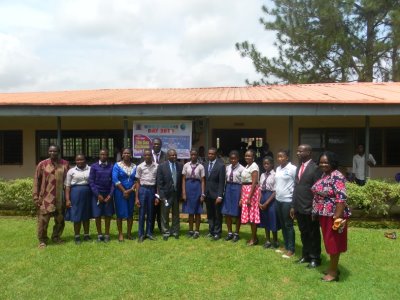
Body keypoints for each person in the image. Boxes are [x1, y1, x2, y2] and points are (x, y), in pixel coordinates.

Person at [311, 151, 350, 282]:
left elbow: (341, 198)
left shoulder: (337, 176)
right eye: (321, 162)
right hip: (324, 214)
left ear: (332, 163)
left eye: (326, 162)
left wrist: (337, 217)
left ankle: (333, 273)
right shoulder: (325, 174)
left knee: (334, 243)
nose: (323, 164)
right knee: (329, 242)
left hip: (334, 215)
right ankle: (332, 267)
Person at [290, 144, 322, 267]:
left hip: (310, 207)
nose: (298, 153)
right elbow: (296, 187)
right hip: (299, 206)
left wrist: (315, 209)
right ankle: (306, 255)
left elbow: (317, 190)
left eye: (300, 151)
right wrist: (293, 205)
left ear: (308, 152)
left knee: (313, 233)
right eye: (297, 151)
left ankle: (315, 258)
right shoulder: (299, 167)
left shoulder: (315, 168)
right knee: (303, 232)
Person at [33, 145, 69, 248]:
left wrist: (67, 198)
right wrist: (35, 197)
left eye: (55, 151)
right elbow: (36, 181)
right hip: (46, 198)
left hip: (60, 198)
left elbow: (68, 182)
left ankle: (56, 237)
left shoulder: (65, 164)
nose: (53, 153)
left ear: (59, 152)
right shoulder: (42, 164)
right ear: (48, 152)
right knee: (43, 221)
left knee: (60, 220)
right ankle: (42, 240)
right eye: (50, 151)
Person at [65, 154, 92, 244]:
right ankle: (77, 236)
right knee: (77, 215)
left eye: (81, 159)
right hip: (75, 194)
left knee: (86, 215)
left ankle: (86, 235)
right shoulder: (71, 171)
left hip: (88, 193)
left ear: (85, 160)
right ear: (75, 161)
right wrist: (68, 199)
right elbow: (68, 186)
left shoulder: (90, 169)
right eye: (77, 160)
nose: (79, 161)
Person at [156, 149, 183, 240]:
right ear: (168, 156)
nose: (174, 157)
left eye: (175, 155)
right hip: (166, 195)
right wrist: (162, 195)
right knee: (164, 214)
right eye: (172, 155)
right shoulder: (162, 166)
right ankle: (166, 232)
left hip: (176, 194)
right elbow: (159, 183)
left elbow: (181, 181)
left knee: (176, 214)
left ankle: (175, 231)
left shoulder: (180, 166)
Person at [89, 149, 114, 242]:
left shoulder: (111, 166)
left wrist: (110, 195)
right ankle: (99, 234)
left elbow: (113, 182)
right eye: (102, 154)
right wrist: (97, 194)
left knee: (108, 215)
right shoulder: (94, 166)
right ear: (99, 155)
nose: (103, 156)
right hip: (97, 194)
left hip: (108, 194)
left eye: (105, 154)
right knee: (97, 215)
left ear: (108, 156)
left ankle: (107, 234)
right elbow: (91, 181)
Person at [275, 149, 297, 258]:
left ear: (287, 158)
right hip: (278, 200)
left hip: (288, 201)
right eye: (278, 157)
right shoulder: (278, 168)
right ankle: (286, 245)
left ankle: (291, 249)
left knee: (288, 225)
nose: (279, 159)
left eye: (282, 156)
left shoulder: (293, 169)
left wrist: (293, 205)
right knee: (283, 224)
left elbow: (296, 185)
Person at [112, 148, 137, 242]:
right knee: (120, 214)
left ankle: (129, 233)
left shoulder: (135, 166)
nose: (126, 154)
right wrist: (124, 191)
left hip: (131, 192)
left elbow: (137, 179)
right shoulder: (117, 165)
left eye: (128, 153)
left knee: (130, 213)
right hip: (119, 192)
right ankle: (120, 234)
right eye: (124, 153)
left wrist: (130, 190)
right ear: (122, 155)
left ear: (131, 155)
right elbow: (115, 179)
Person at [135, 149, 158, 242]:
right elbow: (137, 182)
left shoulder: (156, 166)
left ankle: (149, 233)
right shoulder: (140, 167)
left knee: (150, 212)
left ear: (152, 156)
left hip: (152, 189)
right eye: (146, 155)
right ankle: (141, 234)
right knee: (142, 213)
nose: (147, 156)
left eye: (149, 155)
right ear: (144, 156)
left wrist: (157, 196)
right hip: (143, 190)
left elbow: (158, 183)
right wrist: (136, 197)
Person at [182, 148, 205, 239]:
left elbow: (203, 180)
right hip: (188, 187)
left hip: (197, 187)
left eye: (195, 154)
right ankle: (190, 230)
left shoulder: (200, 166)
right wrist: (184, 192)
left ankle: (197, 231)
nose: (193, 156)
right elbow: (183, 179)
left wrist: (202, 194)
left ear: (197, 155)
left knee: (197, 211)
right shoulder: (186, 165)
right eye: (192, 154)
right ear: (190, 155)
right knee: (190, 212)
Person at [221, 150, 245, 242]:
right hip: (228, 188)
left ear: (238, 159)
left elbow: (243, 183)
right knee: (227, 212)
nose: (233, 160)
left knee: (237, 212)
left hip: (237, 189)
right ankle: (229, 232)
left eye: (235, 158)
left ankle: (236, 233)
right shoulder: (228, 167)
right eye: (231, 158)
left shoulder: (242, 169)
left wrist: (242, 197)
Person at [204, 147, 226, 240]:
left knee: (217, 214)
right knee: (210, 214)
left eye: (212, 154)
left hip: (216, 194)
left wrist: (220, 195)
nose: (210, 155)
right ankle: (211, 231)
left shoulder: (221, 166)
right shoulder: (205, 165)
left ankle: (217, 232)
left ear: (215, 155)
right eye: (209, 154)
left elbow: (222, 182)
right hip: (207, 194)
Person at [258, 156, 280, 249]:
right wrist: (259, 201)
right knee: (265, 219)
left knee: (272, 219)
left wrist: (266, 203)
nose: (266, 165)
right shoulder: (262, 175)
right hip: (263, 196)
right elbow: (260, 188)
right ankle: (267, 240)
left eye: (268, 163)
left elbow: (275, 191)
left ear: (272, 164)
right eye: (264, 164)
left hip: (271, 199)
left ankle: (275, 240)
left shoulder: (275, 175)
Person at [240, 149, 261, 246]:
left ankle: (254, 238)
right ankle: (254, 237)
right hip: (245, 191)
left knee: (252, 217)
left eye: (249, 156)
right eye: (246, 155)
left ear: (253, 157)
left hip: (251, 193)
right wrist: (242, 197)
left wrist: (249, 197)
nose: (247, 157)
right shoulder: (247, 166)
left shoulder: (254, 166)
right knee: (249, 216)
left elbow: (254, 183)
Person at [150, 138, 167, 233]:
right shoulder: (146, 155)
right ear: (152, 145)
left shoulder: (165, 156)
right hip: (150, 186)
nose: (156, 145)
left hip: (162, 186)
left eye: (158, 144)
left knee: (161, 209)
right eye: (155, 144)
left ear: (161, 145)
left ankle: (162, 227)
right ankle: (150, 229)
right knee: (151, 209)